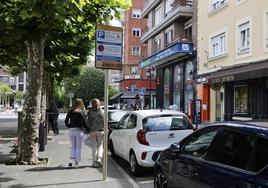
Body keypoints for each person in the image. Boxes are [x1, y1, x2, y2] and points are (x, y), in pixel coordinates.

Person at [65, 99, 88, 167]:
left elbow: (66, 120)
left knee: (73, 146)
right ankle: (77, 163)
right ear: (81, 104)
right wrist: (88, 129)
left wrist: (69, 126)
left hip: (71, 130)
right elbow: (85, 123)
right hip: (79, 131)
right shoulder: (81, 112)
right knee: (78, 147)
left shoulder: (70, 111)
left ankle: (71, 161)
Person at [87, 98, 104, 168]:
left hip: (92, 130)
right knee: (100, 145)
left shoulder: (89, 111)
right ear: (99, 103)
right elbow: (104, 120)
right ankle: (99, 159)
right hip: (100, 130)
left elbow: (87, 121)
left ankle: (94, 162)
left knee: (94, 145)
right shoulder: (101, 111)